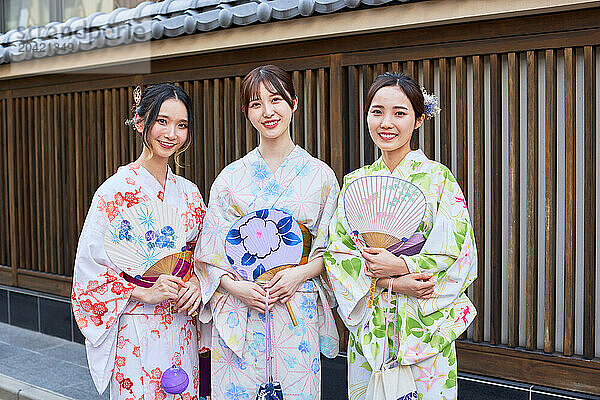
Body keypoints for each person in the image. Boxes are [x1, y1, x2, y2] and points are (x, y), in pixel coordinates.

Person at [324, 72, 477, 400]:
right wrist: (387, 282)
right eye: (377, 111)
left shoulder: (438, 179)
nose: (386, 122)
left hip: (424, 327)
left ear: (419, 120)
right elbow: (338, 255)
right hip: (373, 327)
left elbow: (460, 252)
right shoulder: (355, 182)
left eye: (400, 112)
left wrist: (403, 266)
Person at [195, 65, 340, 400]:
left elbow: (333, 249)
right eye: (256, 104)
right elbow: (209, 255)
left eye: (276, 100)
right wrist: (236, 287)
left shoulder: (320, 176)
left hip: (296, 301)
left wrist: (299, 274)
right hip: (241, 305)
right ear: (247, 112)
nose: (268, 111)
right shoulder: (231, 179)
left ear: (294, 103)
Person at [72, 83, 207, 400]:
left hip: (182, 323)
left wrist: (199, 283)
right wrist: (142, 291)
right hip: (135, 325)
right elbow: (88, 271)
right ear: (140, 121)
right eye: (162, 121)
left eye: (181, 125)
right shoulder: (115, 191)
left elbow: (207, 256)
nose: (171, 133)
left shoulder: (189, 193)